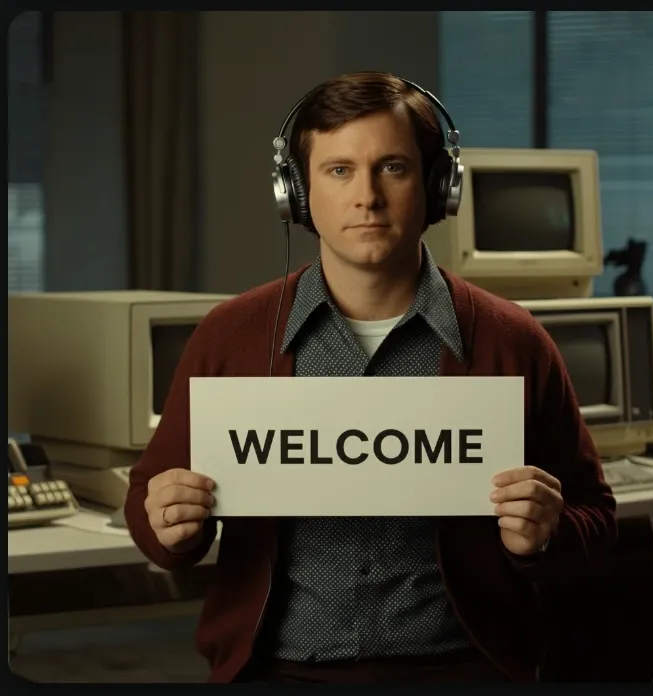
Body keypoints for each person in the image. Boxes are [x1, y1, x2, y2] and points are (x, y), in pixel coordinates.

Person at [123, 71, 614, 684]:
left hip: (466, 668)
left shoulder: (514, 340)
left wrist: (546, 534)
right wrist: (169, 523)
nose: (367, 197)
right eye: (338, 171)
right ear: (296, 193)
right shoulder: (230, 335)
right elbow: (149, 510)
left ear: (439, 187)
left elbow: (595, 516)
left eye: (393, 168)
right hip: (276, 671)